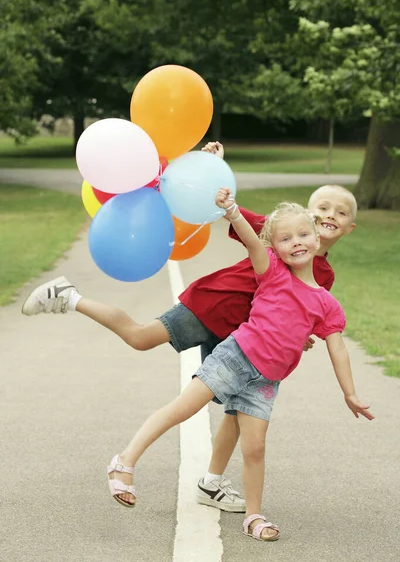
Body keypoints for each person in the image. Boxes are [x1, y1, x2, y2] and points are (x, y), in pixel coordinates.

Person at [21, 143, 357, 513]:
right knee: (140, 337)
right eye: (323, 208)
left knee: (236, 410)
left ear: (349, 227)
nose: (330, 215)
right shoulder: (284, 231)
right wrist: (210, 170)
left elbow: (302, 310)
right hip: (214, 305)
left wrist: (301, 337)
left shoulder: (324, 275)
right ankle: (69, 297)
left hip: (245, 335)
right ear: (307, 217)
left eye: (340, 212)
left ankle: (211, 483)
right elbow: (232, 213)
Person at [105, 191, 373, 543]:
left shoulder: (327, 301)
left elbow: (338, 349)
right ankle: (124, 462)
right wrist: (231, 210)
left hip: (266, 381)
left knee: (255, 448)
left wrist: (349, 393)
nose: (296, 243)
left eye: (303, 235)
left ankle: (253, 516)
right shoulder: (272, 271)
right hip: (235, 358)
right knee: (182, 409)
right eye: (286, 238)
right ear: (274, 247)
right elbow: (250, 237)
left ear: (316, 237)